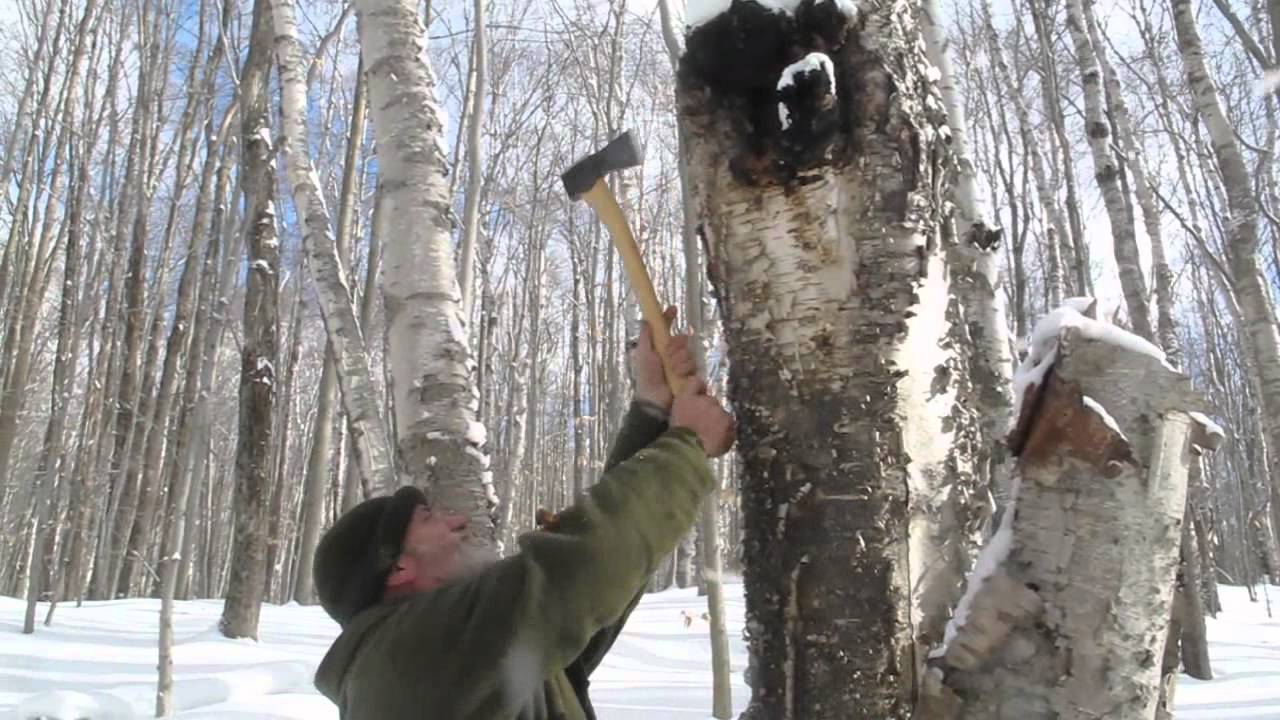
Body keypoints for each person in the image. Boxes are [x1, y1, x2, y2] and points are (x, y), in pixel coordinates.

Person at [312, 307, 736, 719]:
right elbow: (572, 576)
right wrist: (684, 445)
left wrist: (652, 409)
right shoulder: (409, 657)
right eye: (428, 519)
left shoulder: (453, 661)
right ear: (399, 568)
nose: (456, 522)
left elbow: (570, 623)